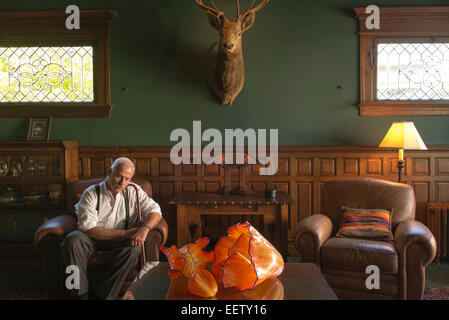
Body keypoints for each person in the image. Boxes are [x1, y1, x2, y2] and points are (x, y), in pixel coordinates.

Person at [61, 157, 162, 300]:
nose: (122, 182)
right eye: (119, 177)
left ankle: (103, 296)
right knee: (72, 240)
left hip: (121, 241)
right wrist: (126, 233)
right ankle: (78, 295)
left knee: (135, 248)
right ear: (110, 172)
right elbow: (88, 228)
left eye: (127, 179)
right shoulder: (91, 193)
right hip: (92, 238)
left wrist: (145, 228)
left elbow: (155, 211)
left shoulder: (134, 191)